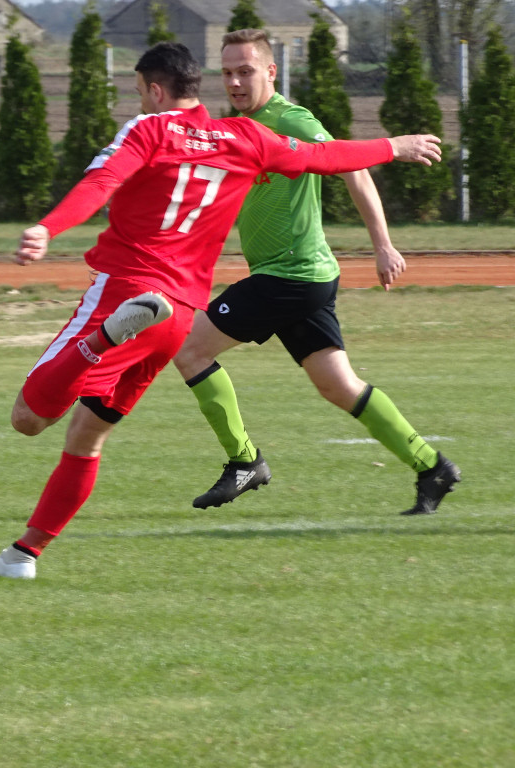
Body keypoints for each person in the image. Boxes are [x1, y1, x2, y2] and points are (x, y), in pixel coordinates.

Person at [0, 41, 442, 579]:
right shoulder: (245, 137)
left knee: (29, 417)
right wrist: (392, 146)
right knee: (86, 435)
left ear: (153, 88)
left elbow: (101, 182)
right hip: (175, 316)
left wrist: (46, 228)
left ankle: (107, 346)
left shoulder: (147, 130)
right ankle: (23, 555)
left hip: (126, 294)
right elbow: (324, 158)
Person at [171, 29, 460, 516]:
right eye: (227, 73)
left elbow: (353, 168)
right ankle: (432, 466)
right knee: (338, 386)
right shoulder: (238, 127)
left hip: (291, 276)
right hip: (300, 276)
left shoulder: (290, 119)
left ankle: (244, 461)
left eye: (245, 71)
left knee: (188, 349)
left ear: (270, 72)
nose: (236, 82)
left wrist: (383, 244)